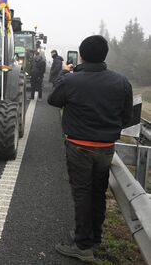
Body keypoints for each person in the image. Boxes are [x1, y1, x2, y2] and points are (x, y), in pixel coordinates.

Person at [48, 35, 132, 262]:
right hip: (106, 148)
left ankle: (83, 245)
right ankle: (94, 238)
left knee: (82, 194)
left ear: (81, 55)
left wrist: (65, 73)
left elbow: (53, 100)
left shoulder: (72, 80)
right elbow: (126, 117)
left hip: (79, 146)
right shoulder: (122, 82)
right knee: (98, 192)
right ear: (104, 55)